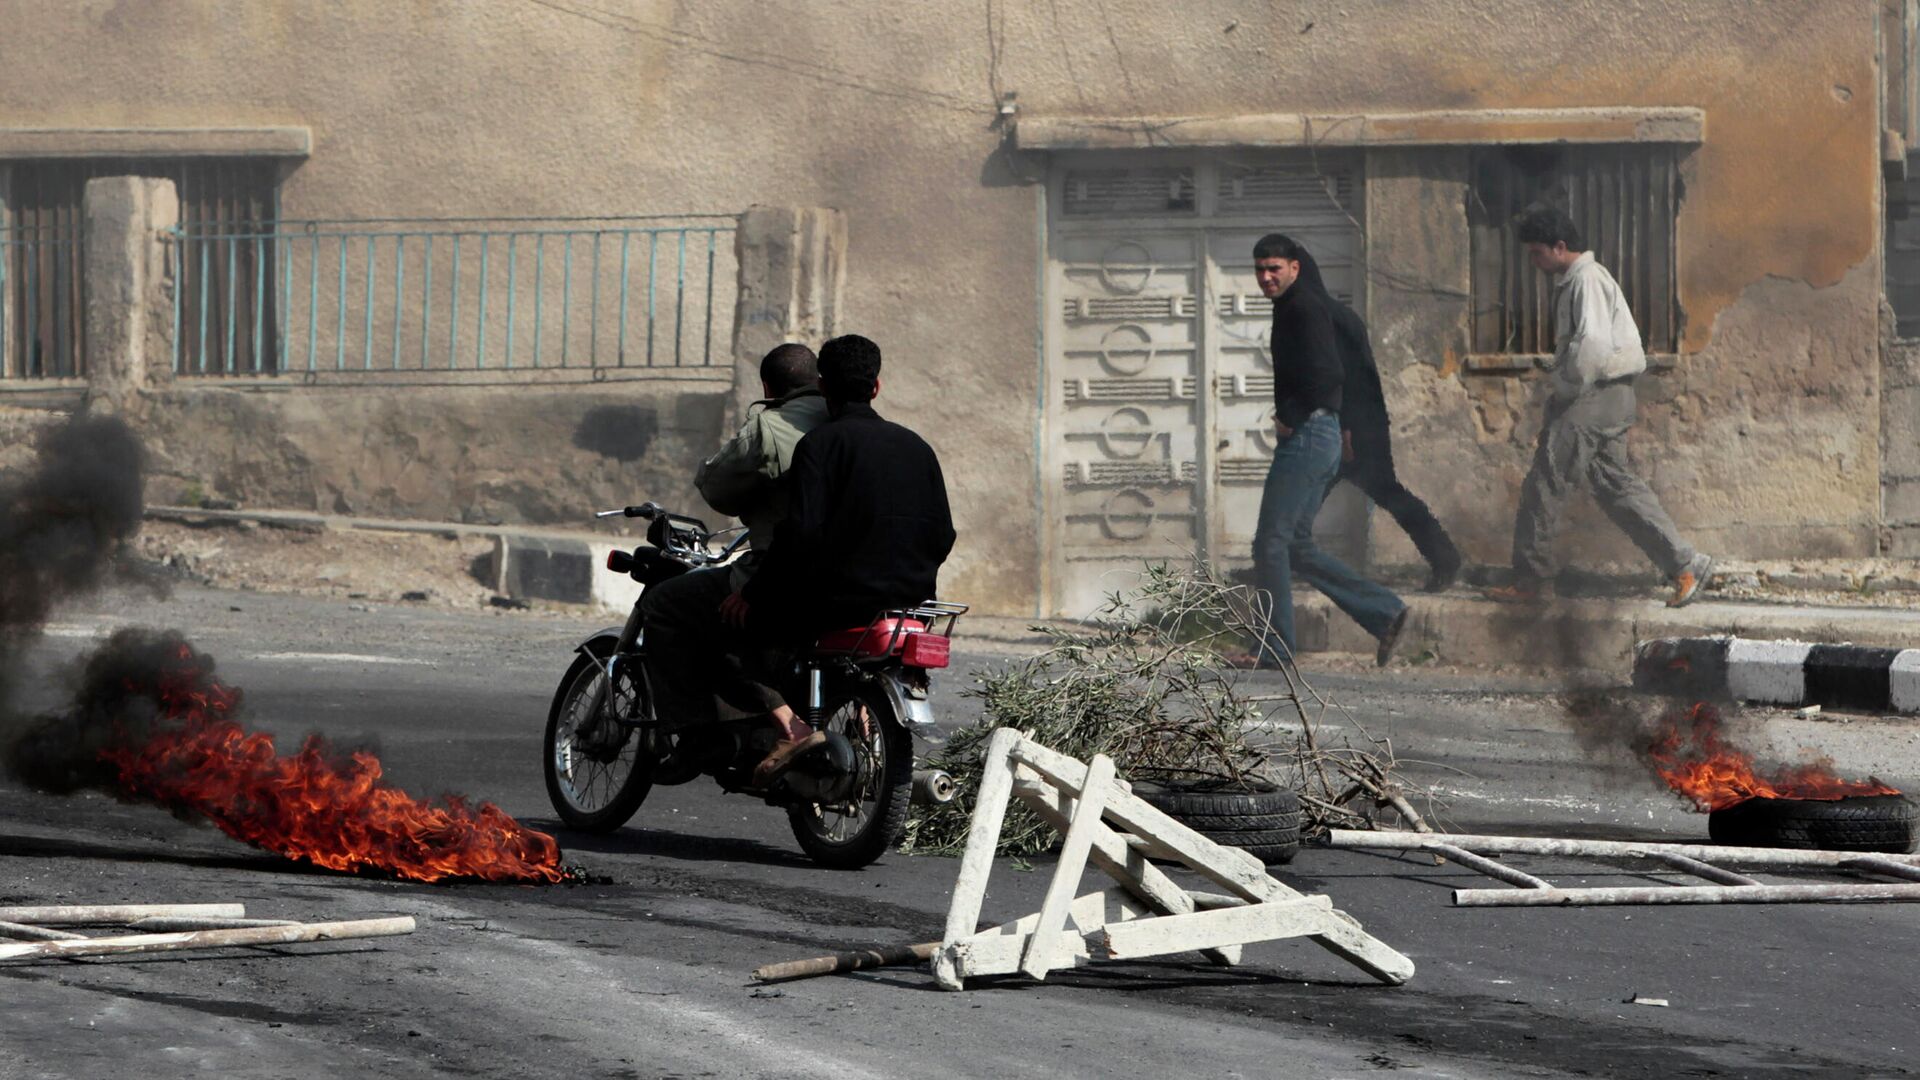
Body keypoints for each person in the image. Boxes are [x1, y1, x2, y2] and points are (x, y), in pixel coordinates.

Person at [727, 333, 957, 783]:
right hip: (910, 603)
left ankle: (790, 728)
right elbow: (944, 534)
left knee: (725, 629)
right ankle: (858, 722)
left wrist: (752, 593)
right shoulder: (917, 447)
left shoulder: (821, 444)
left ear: (824, 388)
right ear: (876, 387)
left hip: (837, 602)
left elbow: (800, 535)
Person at [1487, 206, 1712, 606]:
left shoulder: (1585, 279)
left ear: (1560, 247)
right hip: (1613, 396)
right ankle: (1685, 564)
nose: (1534, 262)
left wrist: (1567, 388)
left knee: (1545, 483)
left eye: (1538, 253)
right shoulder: (1584, 279)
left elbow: (1590, 344)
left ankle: (1530, 581)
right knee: (1616, 487)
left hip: (1593, 396)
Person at [638, 342, 828, 750]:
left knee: (667, 603)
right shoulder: (847, 425)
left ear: (767, 385)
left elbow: (719, 489)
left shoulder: (769, 426)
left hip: (780, 571)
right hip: (850, 579)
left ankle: (691, 735)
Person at [1246, 233, 1410, 669]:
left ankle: (1275, 649)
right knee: (1294, 544)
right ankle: (1383, 610)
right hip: (1321, 435)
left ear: (1294, 268)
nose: (1265, 277)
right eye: (1260, 269)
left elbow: (1329, 373)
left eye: (1274, 269)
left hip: (1311, 435)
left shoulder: (1302, 308)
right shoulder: (1296, 306)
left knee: (1271, 543)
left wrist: (1291, 416)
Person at [1293, 250, 1464, 593]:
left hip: (1355, 430)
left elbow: (1352, 381)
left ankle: (1445, 560)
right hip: (1343, 428)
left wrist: (1346, 432)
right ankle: (1273, 564)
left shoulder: (1329, 320)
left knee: (1387, 494)